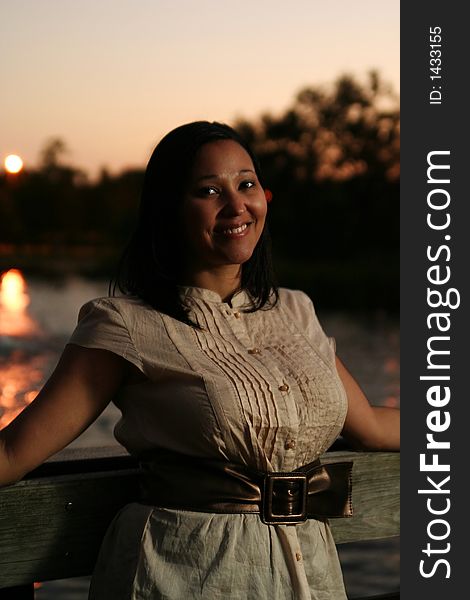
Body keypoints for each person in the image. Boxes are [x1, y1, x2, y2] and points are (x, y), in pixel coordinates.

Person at [0, 121, 399, 599]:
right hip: (184, 575)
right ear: (169, 211)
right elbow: (12, 452)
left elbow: (371, 426)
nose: (236, 206)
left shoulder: (295, 311)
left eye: (246, 184)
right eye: (209, 191)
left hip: (308, 571)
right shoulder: (124, 323)